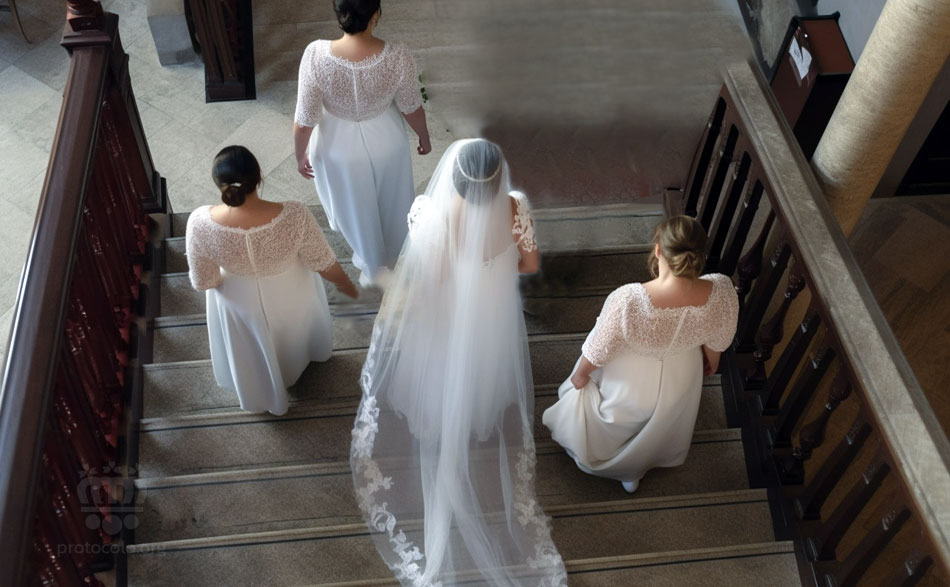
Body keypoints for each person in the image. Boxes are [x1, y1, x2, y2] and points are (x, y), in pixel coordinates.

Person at [350, 139, 567, 586]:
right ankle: (477, 412)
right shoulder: (513, 208)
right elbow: (529, 264)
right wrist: (492, 271)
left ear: (457, 180)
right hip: (493, 311)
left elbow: (438, 277)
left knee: (442, 365)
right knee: (486, 363)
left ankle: (442, 414)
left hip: (452, 311)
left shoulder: (446, 214)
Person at [542, 216, 739, 494]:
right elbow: (716, 344)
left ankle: (616, 464)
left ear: (658, 250)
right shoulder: (721, 291)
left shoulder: (629, 300)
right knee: (658, 427)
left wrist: (580, 375)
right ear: (699, 256)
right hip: (682, 375)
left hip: (633, 378)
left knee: (621, 419)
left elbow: (600, 347)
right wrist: (711, 363)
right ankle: (634, 470)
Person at [185, 146, 358, 416]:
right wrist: (348, 287)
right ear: (260, 176)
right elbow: (322, 262)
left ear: (219, 185)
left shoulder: (198, 223)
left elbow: (204, 281)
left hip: (238, 305)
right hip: (290, 294)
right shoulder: (295, 215)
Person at [293, 0, 431, 287]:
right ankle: (396, 256)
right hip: (387, 141)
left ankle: (371, 263)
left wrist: (299, 155)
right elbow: (411, 107)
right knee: (393, 202)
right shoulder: (397, 55)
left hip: (337, 148)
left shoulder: (315, 55)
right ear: (376, 14)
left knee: (353, 206)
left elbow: (304, 119)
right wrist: (424, 137)